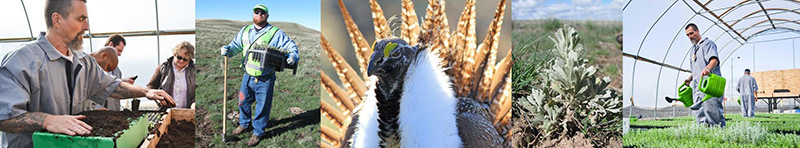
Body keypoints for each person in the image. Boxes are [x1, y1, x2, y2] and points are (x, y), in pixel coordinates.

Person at [0, 1, 175, 147]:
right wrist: (47, 120)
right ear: (57, 20)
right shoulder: (22, 60)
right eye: (81, 19)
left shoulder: (83, 61)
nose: (87, 27)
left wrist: (146, 92)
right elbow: (4, 118)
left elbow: (112, 85)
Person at [219, 3, 299, 146]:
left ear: (267, 16)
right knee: (243, 101)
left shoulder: (275, 33)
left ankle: (258, 132)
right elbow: (235, 46)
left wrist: (293, 55)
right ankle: (244, 124)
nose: (259, 15)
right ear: (253, 14)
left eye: (263, 13)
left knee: (262, 107)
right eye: (257, 12)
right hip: (247, 76)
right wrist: (228, 50)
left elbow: (290, 45)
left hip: (265, 79)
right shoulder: (245, 31)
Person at [682, 23, 725, 127]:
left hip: (709, 86)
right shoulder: (693, 50)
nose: (690, 37)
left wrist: (708, 68)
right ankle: (704, 134)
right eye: (687, 35)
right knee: (700, 113)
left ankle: (719, 135)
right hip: (697, 87)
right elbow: (696, 69)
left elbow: (714, 60)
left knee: (713, 111)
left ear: (697, 31)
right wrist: (690, 78)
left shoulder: (708, 44)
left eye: (691, 33)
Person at [147, 41, 196, 109]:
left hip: (188, 112)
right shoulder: (163, 68)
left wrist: (195, 102)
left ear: (190, 59)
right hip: (165, 111)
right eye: (179, 57)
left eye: (185, 59)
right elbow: (150, 86)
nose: (181, 61)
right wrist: (158, 98)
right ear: (174, 54)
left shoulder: (195, 71)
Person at [103, 34, 135, 111]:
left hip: (114, 112)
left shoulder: (117, 71)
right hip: (100, 113)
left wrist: (124, 83)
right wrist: (122, 82)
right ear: (111, 45)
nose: (120, 54)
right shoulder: (95, 66)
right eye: (119, 50)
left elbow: (115, 87)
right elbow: (104, 84)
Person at [84, 46, 120, 111]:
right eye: (108, 68)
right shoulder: (82, 65)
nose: (106, 72)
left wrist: (94, 110)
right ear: (104, 55)